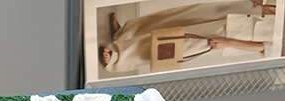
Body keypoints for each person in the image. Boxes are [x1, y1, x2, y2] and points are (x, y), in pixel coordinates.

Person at [100, 0, 276, 72]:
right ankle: (126, 33)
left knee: (174, 43)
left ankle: (119, 57)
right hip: (244, 9)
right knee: (176, 18)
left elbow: (266, 48)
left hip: (233, 33)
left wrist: (228, 42)